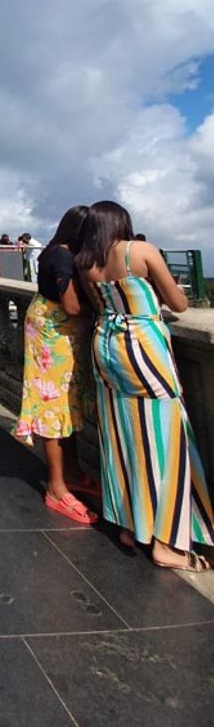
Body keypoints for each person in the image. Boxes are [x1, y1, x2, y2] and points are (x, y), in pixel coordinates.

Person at [77, 200, 214, 570]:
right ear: (122, 222)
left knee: (123, 438)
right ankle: (166, 543)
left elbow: (103, 307)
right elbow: (179, 303)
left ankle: (129, 524)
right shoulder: (139, 251)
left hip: (107, 349)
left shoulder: (85, 262)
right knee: (166, 441)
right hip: (145, 352)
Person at [13, 207, 98, 525]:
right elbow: (73, 305)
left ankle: (73, 473)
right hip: (52, 335)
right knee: (52, 404)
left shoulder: (57, 251)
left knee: (67, 403)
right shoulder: (62, 257)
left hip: (59, 332)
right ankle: (57, 487)